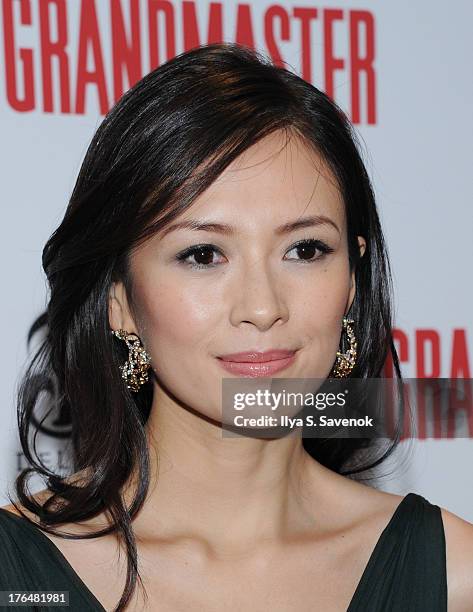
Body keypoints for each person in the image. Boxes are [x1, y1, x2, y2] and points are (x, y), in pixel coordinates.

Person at [1, 42, 472, 612]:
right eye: (203, 254)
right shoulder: (18, 579)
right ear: (119, 299)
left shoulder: (453, 576)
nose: (263, 305)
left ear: (352, 278)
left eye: (305, 249)